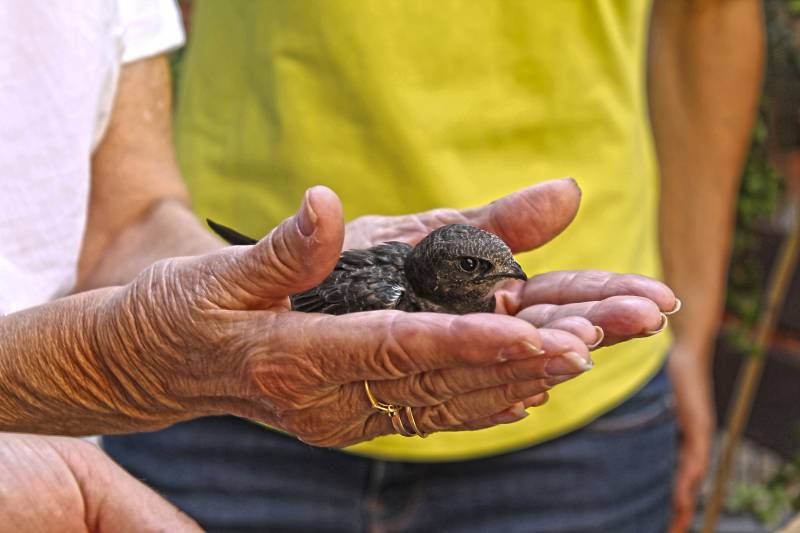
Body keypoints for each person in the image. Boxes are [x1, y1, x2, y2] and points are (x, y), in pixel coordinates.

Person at [0, 1, 674, 530]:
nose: (505, 283)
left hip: (582, 432)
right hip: (209, 434)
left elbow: (128, 212)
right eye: (483, 273)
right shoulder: (384, 286)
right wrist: (119, 358)